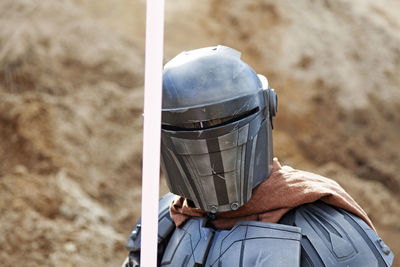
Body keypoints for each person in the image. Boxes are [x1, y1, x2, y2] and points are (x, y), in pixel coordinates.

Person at [123, 46, 394, 267]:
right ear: (268, 109)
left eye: (223, 124)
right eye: (189, 129)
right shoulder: (166, 221)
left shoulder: (325, 233)